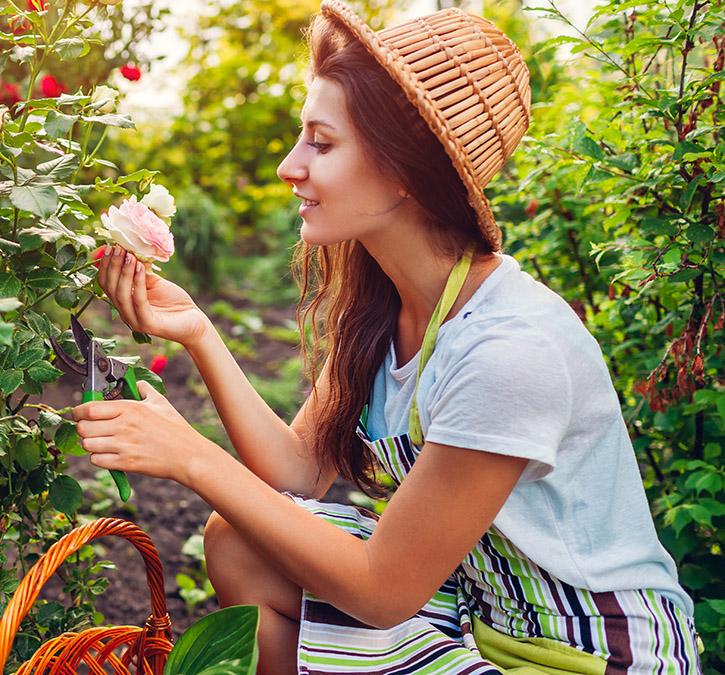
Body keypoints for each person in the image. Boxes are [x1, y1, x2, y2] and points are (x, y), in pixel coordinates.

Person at [73, 1, 703, 673]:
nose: (290, 166)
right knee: (239, 541)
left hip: (589, 654)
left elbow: (381, 589)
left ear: (403, 169)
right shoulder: (391, 306)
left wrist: (193, 456)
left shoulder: (509, 350)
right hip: (481, 611)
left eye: (321, 142)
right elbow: (298, 471)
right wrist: (197, 330)